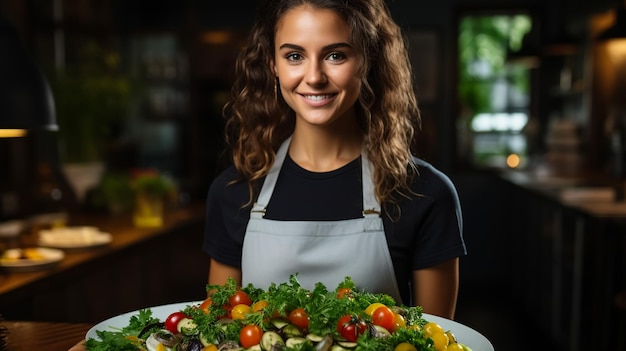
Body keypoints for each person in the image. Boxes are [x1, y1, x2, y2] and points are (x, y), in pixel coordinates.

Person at [203, 0, 466, 320]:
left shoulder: (425, 194)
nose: (314, 77)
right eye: (294, 56)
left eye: (335, 55)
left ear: (367, 60)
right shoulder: (232, 193)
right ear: (273, 64)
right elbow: (219, 330)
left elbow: (435, 341)